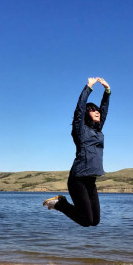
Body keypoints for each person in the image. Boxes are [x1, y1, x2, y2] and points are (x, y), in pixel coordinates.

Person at [43, 77, 111, 227]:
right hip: (78, 179)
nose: (97, 111)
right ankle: (60, 204)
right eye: (92, 110)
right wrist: (88, 88)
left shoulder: (97, 131)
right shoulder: (80, 131)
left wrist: (107, 91)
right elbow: (79, 110)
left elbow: (104, 111)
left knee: (95, 221)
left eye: (97, 109)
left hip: (91, 180)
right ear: (87, 114)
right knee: (86, 221)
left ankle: (61, 204)